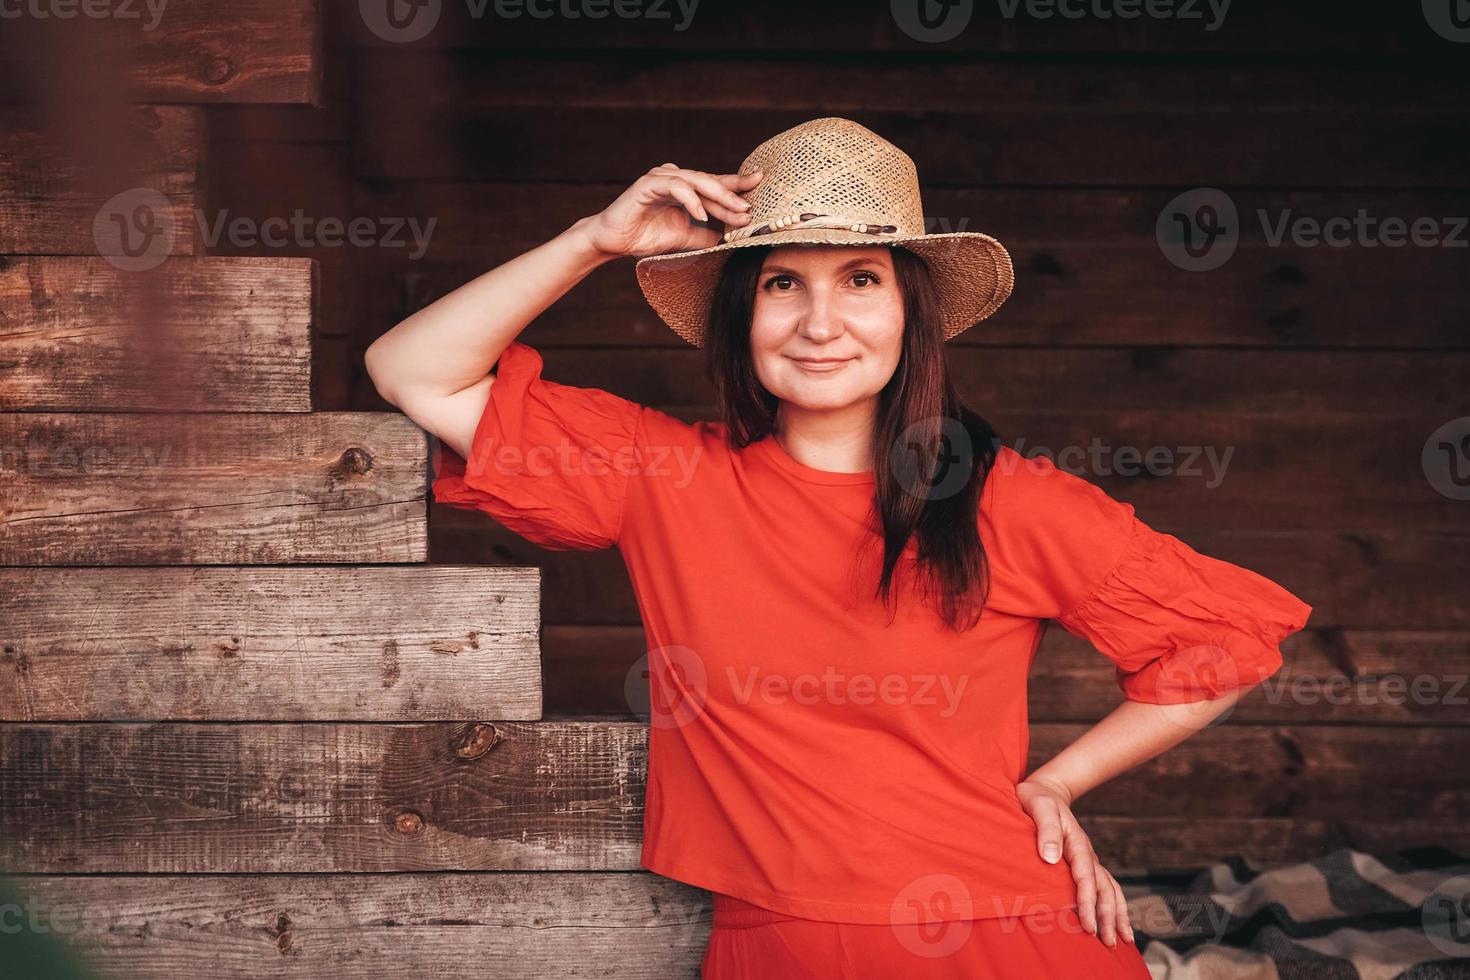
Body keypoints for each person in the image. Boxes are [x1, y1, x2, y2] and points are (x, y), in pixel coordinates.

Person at [365, 117, 1312, 979]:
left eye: (861, 281)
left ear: (911, 316)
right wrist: (593, 242)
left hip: (1004, 934)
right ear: (742, 313)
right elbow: (411, 369)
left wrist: (1056, 783)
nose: (821, 324)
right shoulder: (659, 477)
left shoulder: (1006, 497)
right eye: (785, 283)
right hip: (777, 940)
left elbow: (1225, 646)